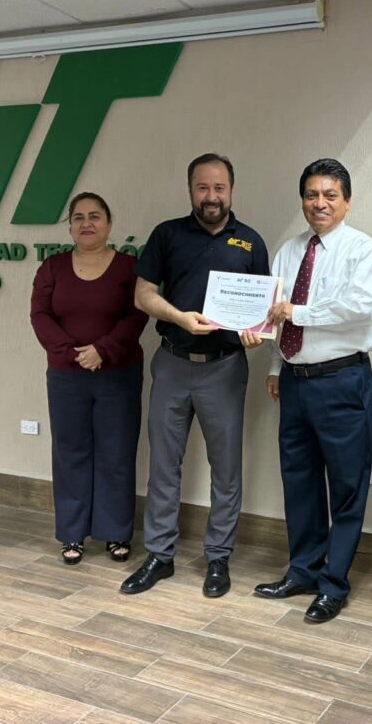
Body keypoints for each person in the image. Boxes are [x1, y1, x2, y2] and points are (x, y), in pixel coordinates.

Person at [120, 153, 269, 599]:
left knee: (226, 468)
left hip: (224, 368)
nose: (211, 196)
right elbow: (143, 295)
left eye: (219, 187)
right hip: (172, 362)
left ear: (231, 191)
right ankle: (159, 555)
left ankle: (218, 557)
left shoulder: (250, 242)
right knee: (164, 464)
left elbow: (262, 308)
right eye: (203, 187)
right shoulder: (167, 235)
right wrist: (179, 317)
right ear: (190, 190)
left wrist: (256, 333)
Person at [253, 158, 372, 623]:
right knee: (300, 481)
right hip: (295, 381)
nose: (320, 203)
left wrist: (298, 311)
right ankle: (303, 571)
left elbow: (359, 306)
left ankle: (333, 584)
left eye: (330, 195)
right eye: (312, 195)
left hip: (341, 380)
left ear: (346, 202)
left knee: (347, 486)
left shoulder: (361, 248)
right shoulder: (289, 251)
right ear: (302, 201)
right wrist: (275, 364)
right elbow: (274, 314)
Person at [31, 192, 148, 566]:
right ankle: (72, 533)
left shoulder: (129, 267)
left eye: (95, 216)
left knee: (117, 452)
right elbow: (40, 315)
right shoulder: (52, 268)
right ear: (70, 227)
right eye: (78, 217)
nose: (86, 223)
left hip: (118, 375)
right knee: (70, 452)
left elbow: (137, 315)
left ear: (109, 224)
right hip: (66, 377)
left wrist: (102, 350)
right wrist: (72, 354)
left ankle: (116, 532)